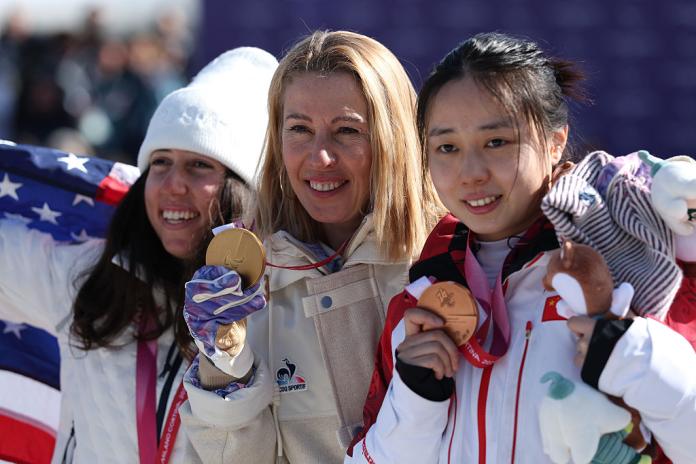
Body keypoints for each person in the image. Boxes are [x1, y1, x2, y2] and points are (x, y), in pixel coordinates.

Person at [346, 32, 696, 463]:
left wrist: (643, 360)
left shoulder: (634, 261)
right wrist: (415, 405)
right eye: (447, 147)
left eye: (496, 142)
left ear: (555, 141)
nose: (470, 172)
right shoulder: (421, 299)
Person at [0, 46, 277, 463]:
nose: (172, 184)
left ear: (245, 191)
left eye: (200, 165)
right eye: (160, 162)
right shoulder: (92, 281)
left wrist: (226, 355)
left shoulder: (277, 305)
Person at [179, 30, 443, 463]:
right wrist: (222, 366)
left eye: (346, 131)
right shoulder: (248, 283)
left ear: (393, 139)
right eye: (300, 129)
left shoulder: (444, 260)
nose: (320, 157)